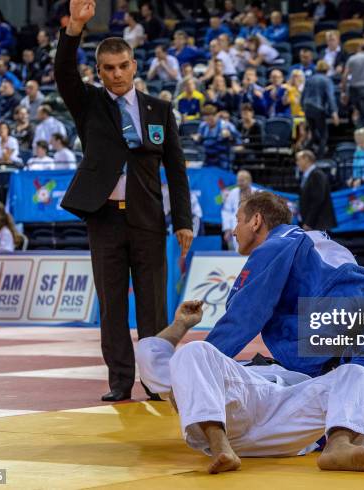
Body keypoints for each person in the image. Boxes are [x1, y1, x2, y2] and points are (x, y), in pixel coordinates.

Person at [202, 192, 364, 453]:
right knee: (313, 408)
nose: (234, 231)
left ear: (256, 221)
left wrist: (201, 368)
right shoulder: (320, 243)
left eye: (238, 221)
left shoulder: (275, 245)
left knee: (303, 430)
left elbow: (243, 316)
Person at [136, 300, 364, 474]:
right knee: (194, 351)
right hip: (232, 411)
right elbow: (151, 352)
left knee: (359, 375)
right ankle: (221, 446)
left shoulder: (289, 373)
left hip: (289, 421)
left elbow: (339, 398)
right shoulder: (203, 368)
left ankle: (339, 447)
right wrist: (181, 326)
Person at [55, 0, 193, 403]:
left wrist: (182, 220)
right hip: (104, 220)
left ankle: (155, 379)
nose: (116, 74)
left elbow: (177, 171)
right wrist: (75, 27)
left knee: (153, 306)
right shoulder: (89, 104)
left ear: (134, 66)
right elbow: (63, 72)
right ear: (99, 72)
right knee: (112, 304)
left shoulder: (160, 111)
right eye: (108, 68)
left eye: (122, 66)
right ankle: (119, 380)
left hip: (148, 219)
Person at [301, 61, 338, 158]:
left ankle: (303, 152)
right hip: (318, 108)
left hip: (307, 107)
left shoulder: (309, 79)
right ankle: (319, 158)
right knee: (323, 135)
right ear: (327, 70)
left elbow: (302, 96)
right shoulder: (327, 80)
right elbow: (330, 97)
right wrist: (334, 112)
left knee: (313, 134)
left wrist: (303, 109)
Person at [296, 150, 336, 231]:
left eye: (298, 159)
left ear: (306, 159)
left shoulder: (317, 175)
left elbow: (317, 200)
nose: (297, 163)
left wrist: (309, 222)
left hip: (317, 224)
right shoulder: (307, 175)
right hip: (312, 223)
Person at [194, 104, 240, 169]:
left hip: (222, 157)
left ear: (216, 116)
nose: (209, 121)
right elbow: (199, 142)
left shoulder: (226, 125)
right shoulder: (202, 126)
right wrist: (197, 139)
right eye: (207, 119)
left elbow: (238, 141)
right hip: (207, 157)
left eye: (212, 118)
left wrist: (230, 136)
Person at [221, 169, 258, 250]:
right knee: (238, 251)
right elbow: (226, 211)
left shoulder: (257, 193)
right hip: (236, 226)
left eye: (242, 181)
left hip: (253, 226)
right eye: (238, 181)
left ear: (249, 180)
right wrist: (227, 229)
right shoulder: (232, 193)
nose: (239, 183)